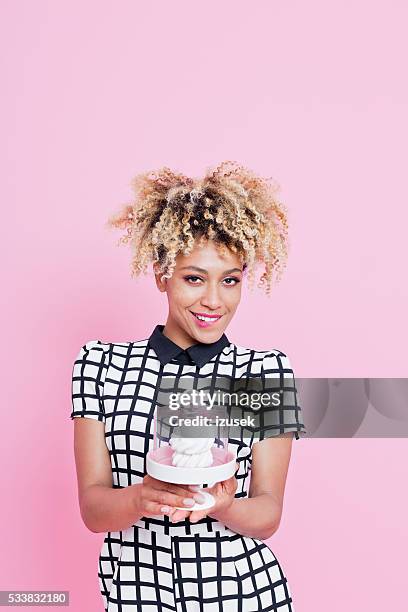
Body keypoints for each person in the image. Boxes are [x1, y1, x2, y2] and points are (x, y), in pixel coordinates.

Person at [70, 160, 307, 611]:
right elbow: (92, 509)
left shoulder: (267, 373)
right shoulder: (100, 365)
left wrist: (223, 506)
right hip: (136, 595)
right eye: (194, 278)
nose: (214, 301)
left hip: (241, 595)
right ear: (162, 275)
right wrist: (142, 497)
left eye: (231, 280)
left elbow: (268, 512)